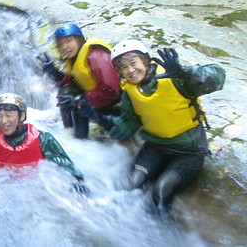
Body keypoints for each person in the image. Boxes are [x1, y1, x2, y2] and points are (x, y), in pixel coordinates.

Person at [77, 40, 225, 213]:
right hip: (155, 147)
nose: (130, 71)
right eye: (124, 67)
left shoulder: (176, 78)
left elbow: (218, 75)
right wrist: (98, 117)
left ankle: (163, 233)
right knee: (130, 184)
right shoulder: (130, 93)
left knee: (161, 190)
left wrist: (185, 72)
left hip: (189, 151)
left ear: (145, 61)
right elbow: (127, 128)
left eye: (133, 63)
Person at [0, 93, 84, 189]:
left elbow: (66, 165)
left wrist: (78, 182)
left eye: (8, 115)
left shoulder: (44, 139)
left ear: (22, 116)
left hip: (35, 187)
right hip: (0, 188)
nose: (3, 121)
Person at [38, 23, 120, 139]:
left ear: (79, 39)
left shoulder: (95, 55)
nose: (65, 47)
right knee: (65, 94)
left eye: (69, 41)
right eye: (61, 44)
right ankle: (70, 135)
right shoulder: (74, 59)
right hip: (100, 100)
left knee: (78, 104)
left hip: (116, 104)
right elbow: (75, 84)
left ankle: (80, 140)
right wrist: (57, 75)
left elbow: (110, 90)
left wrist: (80, 100)